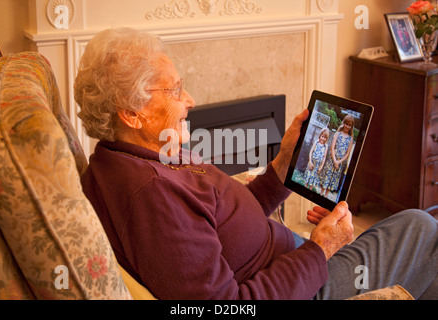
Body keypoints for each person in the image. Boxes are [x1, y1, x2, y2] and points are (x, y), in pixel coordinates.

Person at [75, 27, 437, 300]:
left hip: (293, 259)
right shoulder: (150, 196)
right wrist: (320, 249)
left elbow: (222, 219)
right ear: (131, 114)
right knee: (421, 227)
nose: (189, 99)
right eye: (173, 90)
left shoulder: (141, 153)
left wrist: (282, 164)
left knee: (420, 245)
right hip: (305, 287)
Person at [321, 115, 354, 199]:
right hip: (332, 160)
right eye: (346, 124)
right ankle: (321, 194)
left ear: (351, 127)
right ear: (343, 123)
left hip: (339, 163)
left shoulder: (350, 139)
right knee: (327, 177)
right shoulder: (337, 134)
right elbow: (332, 147)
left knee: (332, 179)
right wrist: (335, 160)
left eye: (349, 125)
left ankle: (325, 196)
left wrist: (339, 162)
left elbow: (347, 153)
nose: (347, 126)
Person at [304, 127, 329, 192]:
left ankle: (310, 190)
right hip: (312, 163)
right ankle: (305, 188)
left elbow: (324, 157)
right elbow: (311, 152)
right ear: (320, 135)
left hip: (317, 166)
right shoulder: (316, 142)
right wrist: (310, 162)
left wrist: (321, 167)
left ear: (326, 139)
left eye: (325, 137)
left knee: (313, 179)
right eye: (322, 136)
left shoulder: (326, 146)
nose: (323, 139)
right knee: (308, 176)